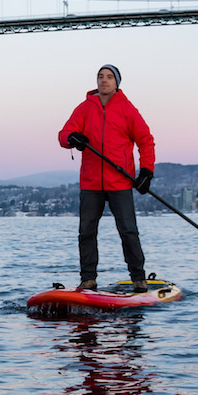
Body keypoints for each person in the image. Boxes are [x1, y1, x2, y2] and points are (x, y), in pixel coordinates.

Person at [58, 64, 156, 292]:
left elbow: (145, 140)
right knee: (86, 231)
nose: (104, 80)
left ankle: (139, 278)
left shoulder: (127, 109)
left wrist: (146, 172)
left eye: (109, 77)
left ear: (116, 83)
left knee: (128, 230)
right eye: (100, 76)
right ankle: (88, 279)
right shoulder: (84, 108)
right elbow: (63, 135)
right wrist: (72, 137)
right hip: (91, 183)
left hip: (120, 182)